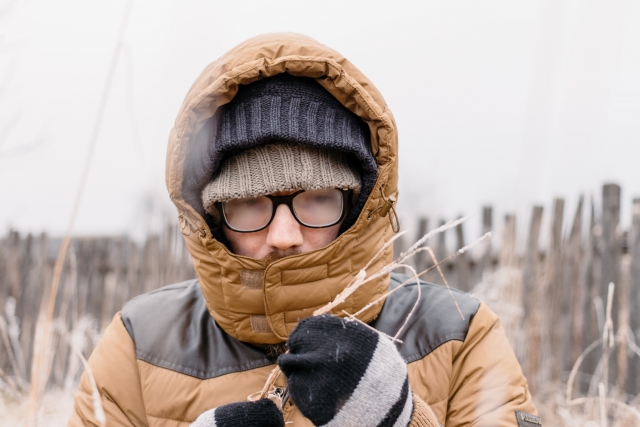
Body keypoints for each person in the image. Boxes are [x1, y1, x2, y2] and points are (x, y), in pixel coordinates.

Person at [68, 33, 540, 427]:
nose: (284, 235)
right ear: (211, 216)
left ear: (357, 206)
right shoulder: (140, 343)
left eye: (316, 199)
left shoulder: (456, 335)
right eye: (250, 203)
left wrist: (401, 419)